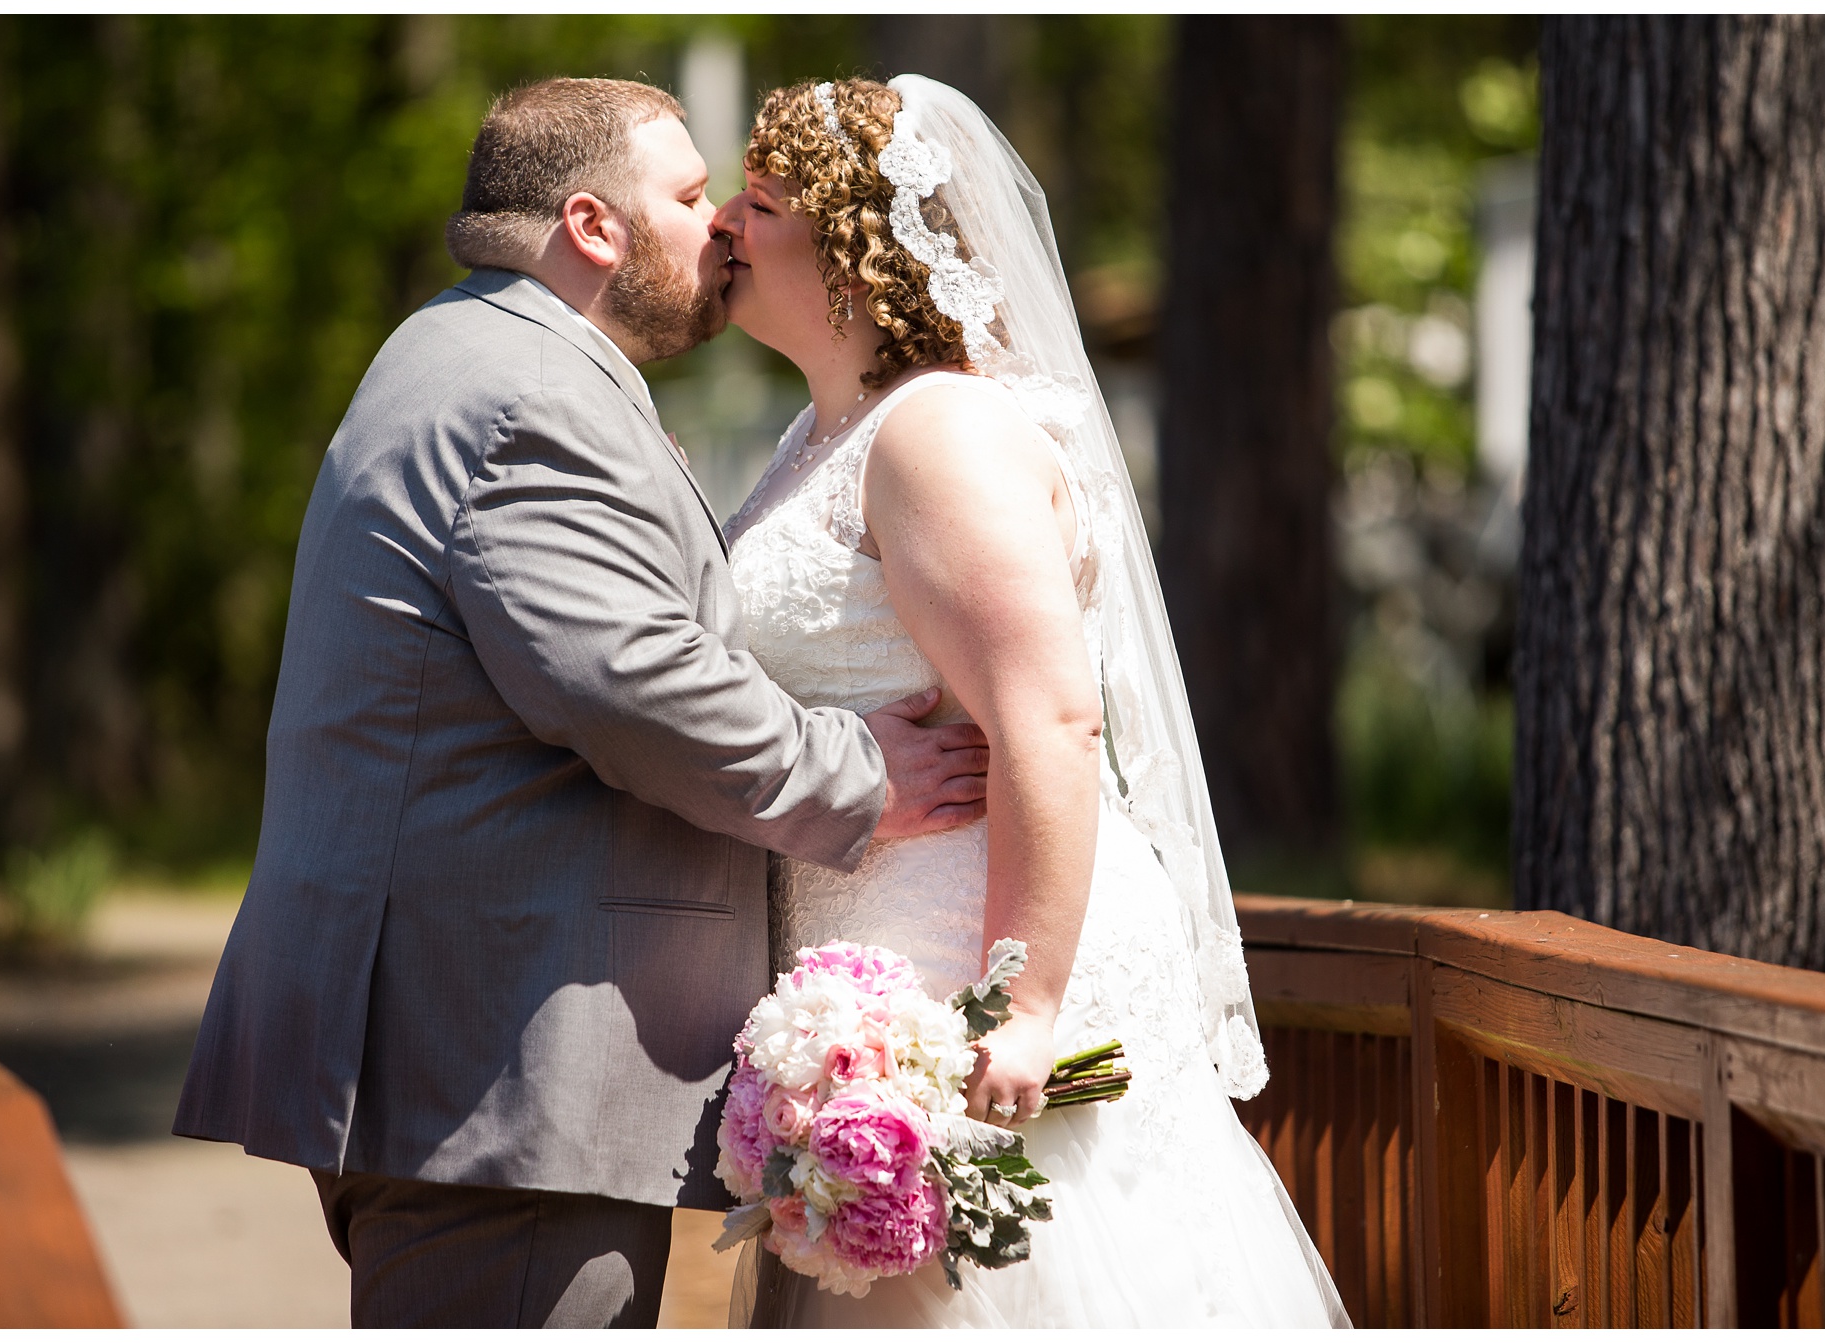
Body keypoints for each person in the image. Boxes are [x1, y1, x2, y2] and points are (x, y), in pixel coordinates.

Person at [171, 77, 990, 1329]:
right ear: (594, 227)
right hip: (502, 1064)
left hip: (472, 1054)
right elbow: (630, 682)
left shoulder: (471, 350)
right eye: (685, 192)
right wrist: (863, 776)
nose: (716, 223)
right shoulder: (528, 398)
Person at [711, 75, 1351, 1327]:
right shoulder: (815, 439)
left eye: (762, 199)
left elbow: (1049, 719)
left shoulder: (936, 432)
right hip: (861, 975)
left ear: (852, 249)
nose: (726, 222)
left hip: (968, 985)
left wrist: (1021, 1004)